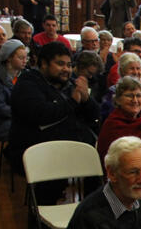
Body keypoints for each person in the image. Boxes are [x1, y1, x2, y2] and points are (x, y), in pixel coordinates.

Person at [8, 41, 96, 180]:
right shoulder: (27, 84)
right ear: (44, 64)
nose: (66, 69)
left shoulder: (68, 84)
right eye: (60, 64)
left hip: (68, 148)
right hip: (35, 151)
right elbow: (42, 115)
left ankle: (92, 199)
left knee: (98, 157)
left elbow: (94, 117)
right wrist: (72, 102)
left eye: (69, 65)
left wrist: (86, 100)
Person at [0, 39, 26, 141]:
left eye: (26, 57)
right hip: (1, 123)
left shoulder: (23, 74)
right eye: (21, 58)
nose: (25, 61)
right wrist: (24, 114)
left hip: (19, 117)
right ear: (8, 58)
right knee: (34, 130)